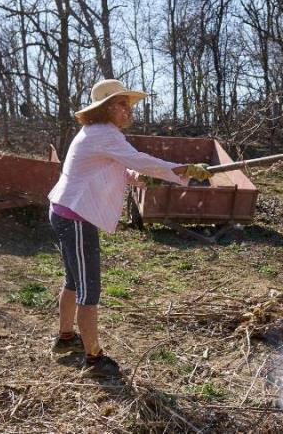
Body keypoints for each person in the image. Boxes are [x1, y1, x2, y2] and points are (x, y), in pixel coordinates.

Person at [47, 79, 212, 378]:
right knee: (89, 288)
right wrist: (182, 170)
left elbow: (121, 165)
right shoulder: (102, 133)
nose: (128, 110)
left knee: (74, 280)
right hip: (75, 216)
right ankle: (94, 359)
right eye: (121, 104)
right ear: (104, 109)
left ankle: (66, 339)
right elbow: (138, 159)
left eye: (128, 104)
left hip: (66, 211)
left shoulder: (99, 134)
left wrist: (137, 175)